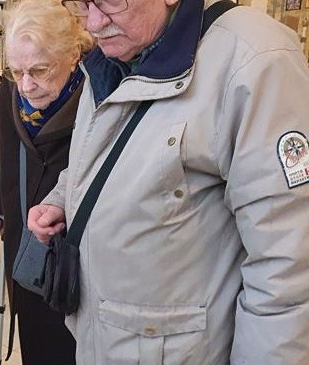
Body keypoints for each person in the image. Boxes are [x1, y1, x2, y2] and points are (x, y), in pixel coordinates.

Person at [27, 0, 309, 363]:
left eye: (110, 1)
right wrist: (63, 197)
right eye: (80, 4)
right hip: (106, 341)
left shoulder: (256, 61)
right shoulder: (111, 58)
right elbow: (106, 150)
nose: (93, 22)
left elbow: (287, 267)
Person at [0, 0, 90, 362]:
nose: (26, 85)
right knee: (35, 343)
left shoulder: (99, 99)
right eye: (17, 71)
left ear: (73, 54)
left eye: (40, 70)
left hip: (77, 255)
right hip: (23, 244)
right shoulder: (9, 93)